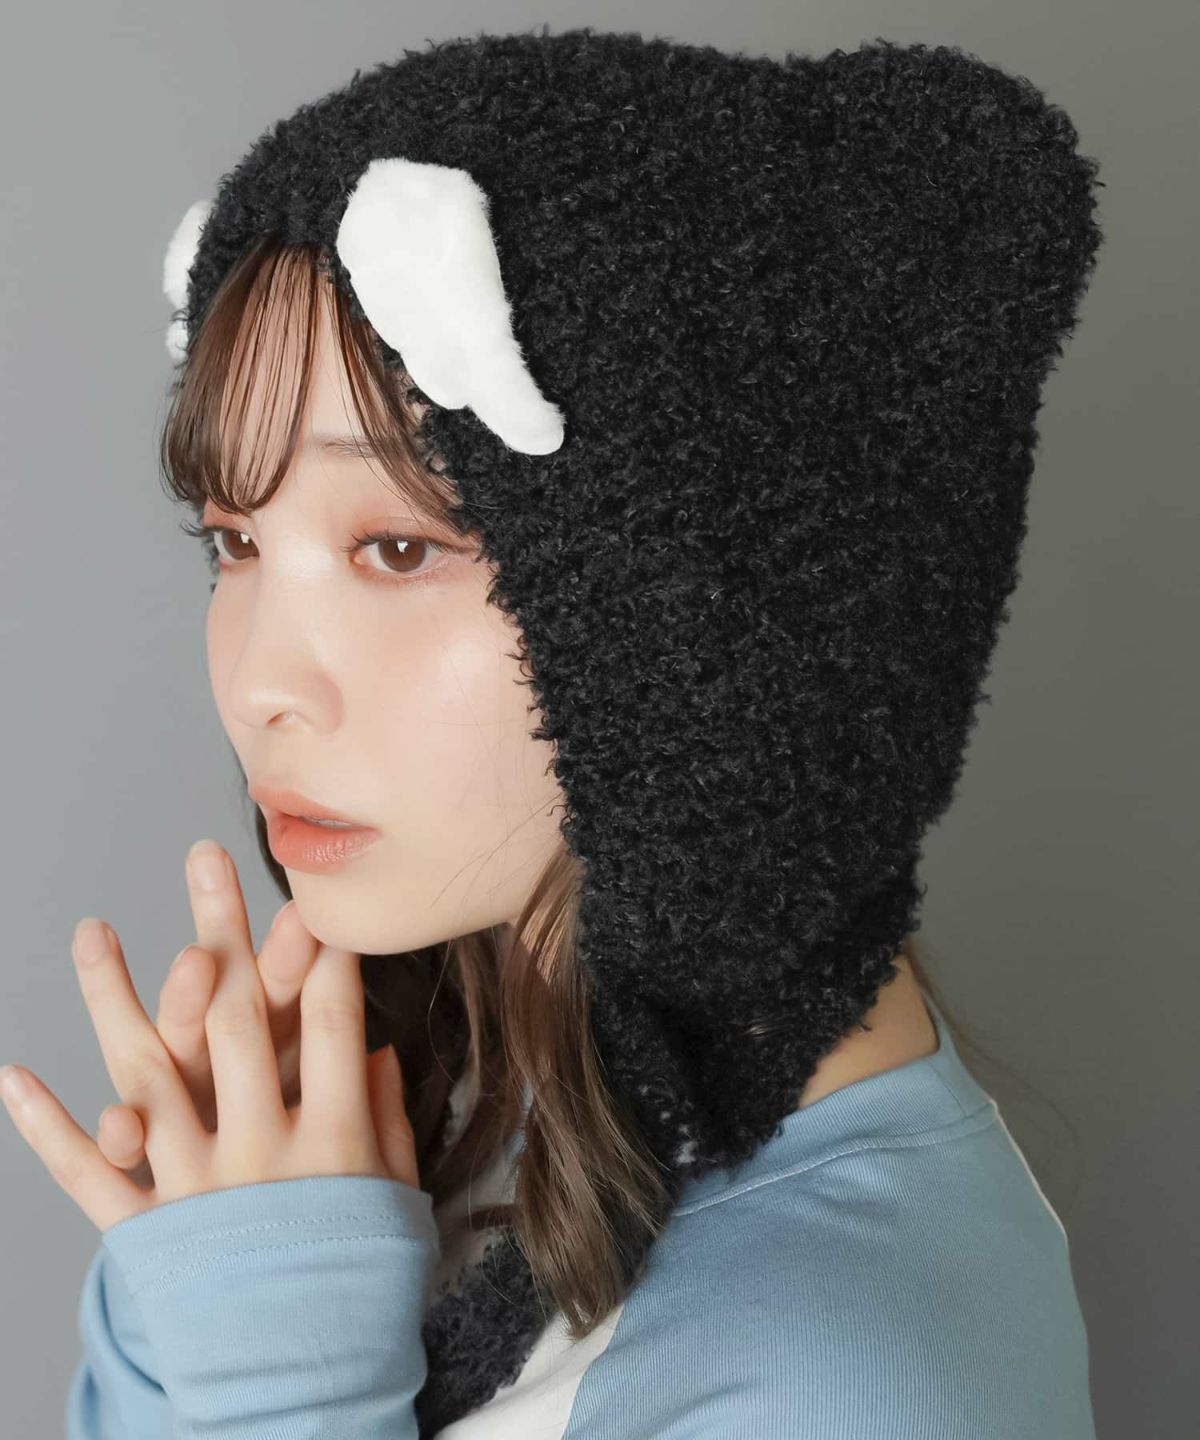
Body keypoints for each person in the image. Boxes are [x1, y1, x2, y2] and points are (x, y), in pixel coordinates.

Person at [0, 27, 1102, 1439]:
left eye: (399, 547)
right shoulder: (423, 1103)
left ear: (720, 605)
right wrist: (208, 1282)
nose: (262, 684)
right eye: (234, 538)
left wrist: (275, 1367)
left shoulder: (856, 1384)